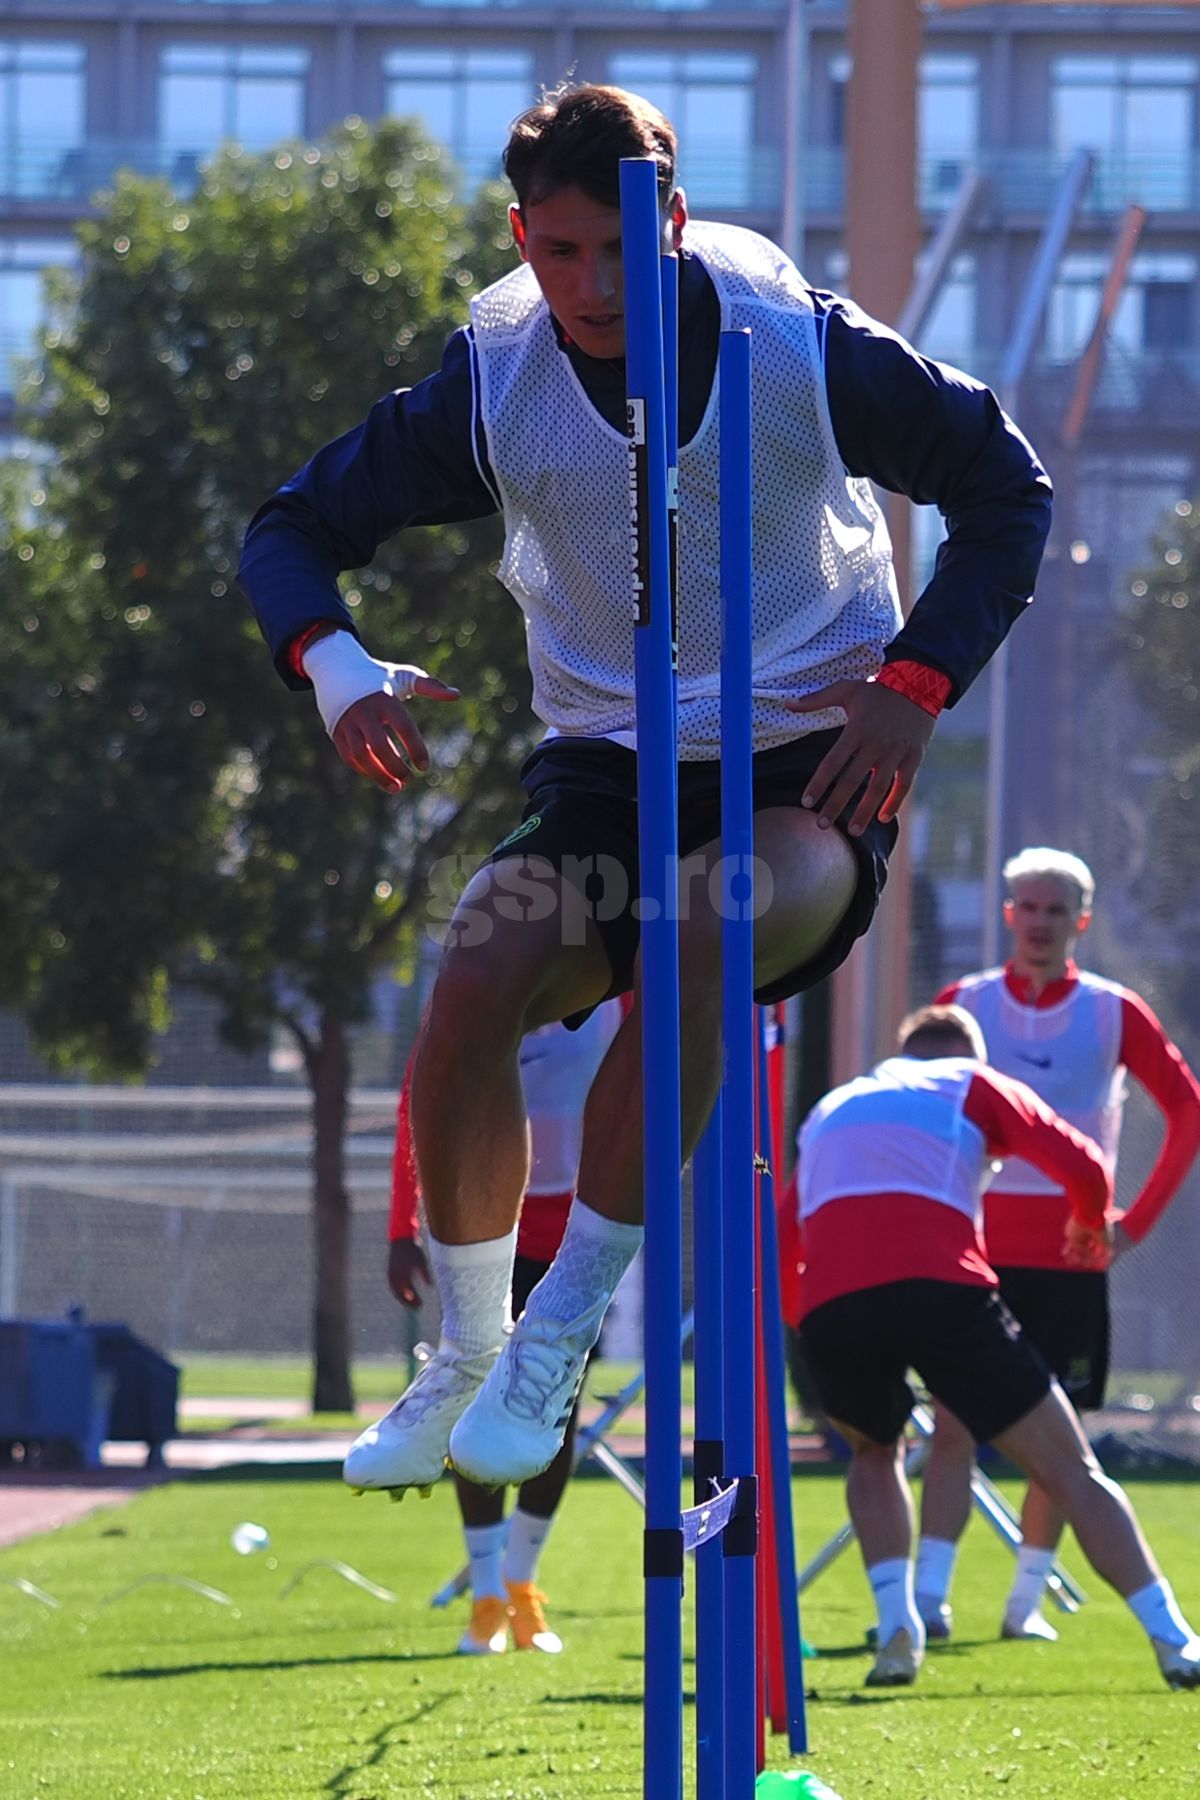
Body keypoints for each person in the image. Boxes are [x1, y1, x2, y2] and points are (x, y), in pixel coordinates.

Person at [238, 83, 1053, 1498]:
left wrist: (916, 687)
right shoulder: (491, 372)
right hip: (608, 762)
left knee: (698, 919)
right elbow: (293, 528)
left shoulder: (799, 341)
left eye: (621, 250)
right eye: (559, 253)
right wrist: (339, 666)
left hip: (812, 759)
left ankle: (563, 1339)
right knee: (474, 977)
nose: (592, 286)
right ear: (521, 236)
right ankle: (467, 1355)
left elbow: (1007, 488)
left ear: (671, 219)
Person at [794, 1003, 1200, 1692]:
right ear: (967, 1055)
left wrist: (806, 1317)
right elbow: (1083, 1158)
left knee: (873, 1452)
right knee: (1071, 1467)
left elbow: (784, 1224)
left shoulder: (833, 1105)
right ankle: (1175, 1639)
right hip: (941, 1286)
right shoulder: (972, 1083)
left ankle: (899, 1623)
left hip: (833, 1301)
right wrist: (1086, 1226)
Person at [915, 848, 1200, 1643]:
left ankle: (1023, 1604)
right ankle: (927, 1602)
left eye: (1055, 910)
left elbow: (1188, 1109)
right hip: (971, 1250)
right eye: (1026, 908)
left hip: (1073, 1260)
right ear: (1008, 916)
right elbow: (915, 1110)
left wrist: (1132, 1222)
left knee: (1061, 1440)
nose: (1039, 923)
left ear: (1082, 920)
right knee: (952, 1425)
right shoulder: (962, 1005)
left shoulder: (1115, 1012)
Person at [387, 999, 623, 1655]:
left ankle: (522, 1587)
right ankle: (485, 1598)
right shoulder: (473, 991)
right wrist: (400, 1228)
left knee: (558, 1411)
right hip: (484, 1222)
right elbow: (418, 1107)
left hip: (579, 1232)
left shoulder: (618, 996)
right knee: (478, 1400)